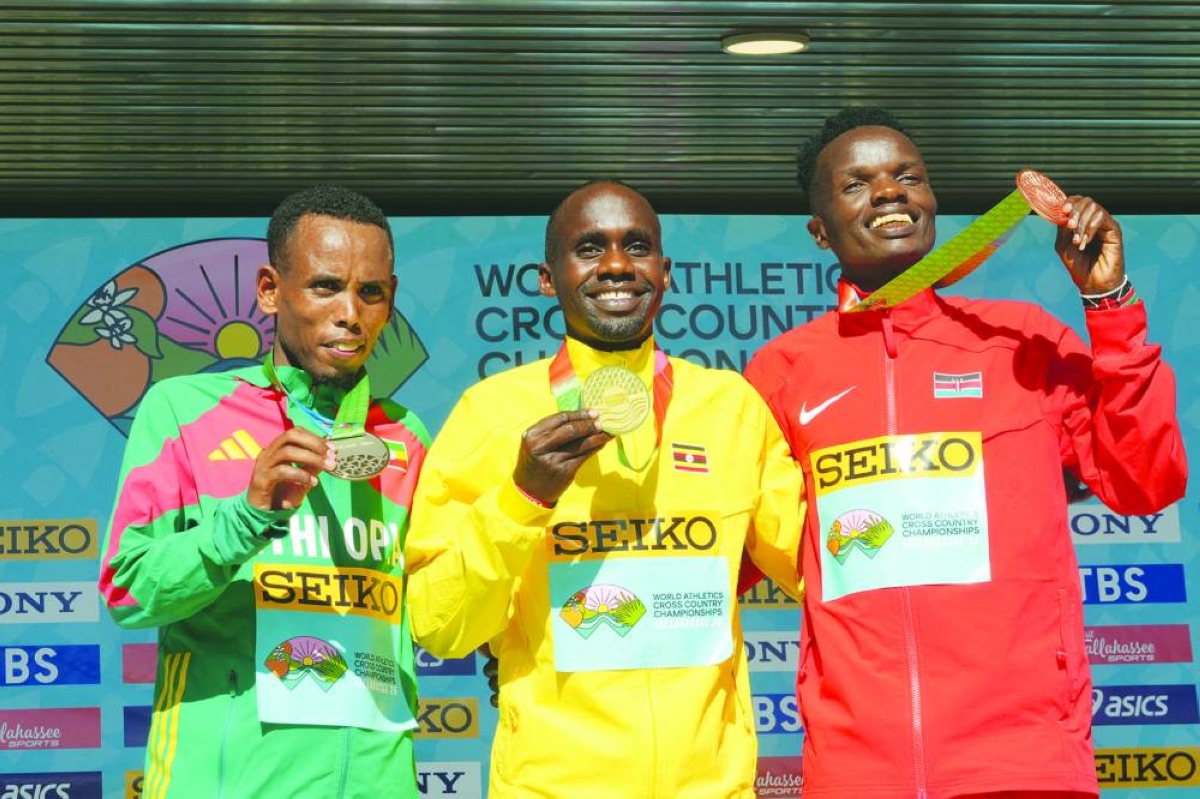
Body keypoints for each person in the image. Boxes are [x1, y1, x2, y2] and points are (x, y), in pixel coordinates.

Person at [743, 106, 1188, 798]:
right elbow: (722, 549)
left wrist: (1110, 305)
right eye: (857, 184)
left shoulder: (1022, 342)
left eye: (907, 177)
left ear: (932, 201)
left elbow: (1145, 484)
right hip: (857, 769)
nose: (889, 192)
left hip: (1023, 759)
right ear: (820, 231)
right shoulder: (782, 371)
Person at [405, 179, 805, 797]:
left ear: (665, 272)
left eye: (636, 246)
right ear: (547, 277)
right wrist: (523, 498)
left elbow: (818, 568)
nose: (616, 265)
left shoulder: (731, 409)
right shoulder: (490, 413)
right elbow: (439, 625)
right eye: (590, 248)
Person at [99, 184, 430, 797]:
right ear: (270, 290)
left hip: (377, 781)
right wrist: (246, 517)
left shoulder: (405, 437)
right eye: (326, 286)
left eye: (371, 292)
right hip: (229, 781)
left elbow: (438, 606)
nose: (350, 313)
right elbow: (127, 590)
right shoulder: (184, 409)